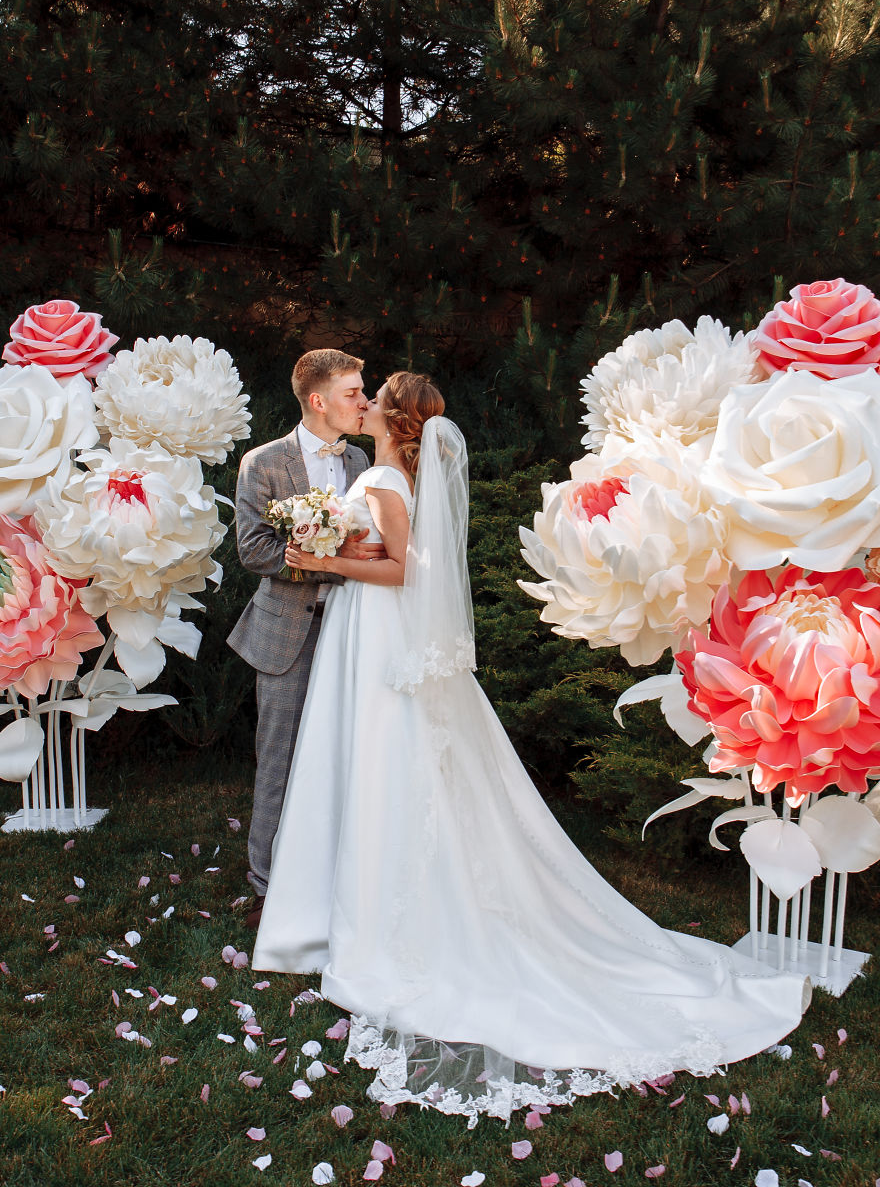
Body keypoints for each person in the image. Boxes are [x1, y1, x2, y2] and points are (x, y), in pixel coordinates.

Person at [252, 371, 810, 1124]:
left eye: (375, 391)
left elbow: (398, 568)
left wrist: (325, 561)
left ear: (392, 416)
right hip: (371, 632)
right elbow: (389, 551)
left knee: (385, 759)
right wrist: (340, 544)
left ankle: (373, 910)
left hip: (376, 629)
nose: (366, 397)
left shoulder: (382, 474)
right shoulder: (384, 472)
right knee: (387, 760)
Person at [227, 348, 383, 929]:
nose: (363, 402)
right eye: (352, 393)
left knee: (342, 753)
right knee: (280, 758)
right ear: (318, 401)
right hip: (286, 632)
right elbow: (255, 550)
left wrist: (348, 562)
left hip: (351, 629)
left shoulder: (362, 459)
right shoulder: (262, 463)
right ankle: (266, 887)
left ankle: (332, 876)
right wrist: (329, 561)